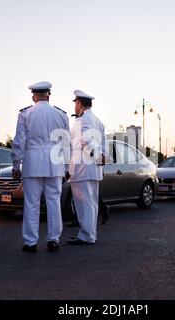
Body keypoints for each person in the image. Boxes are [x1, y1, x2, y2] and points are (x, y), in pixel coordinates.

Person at [11, 81, 70, 253]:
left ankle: (30, 242)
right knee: (53, 202)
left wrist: (16, 165)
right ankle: (53, 240)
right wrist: (66, 167)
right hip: (55, 162)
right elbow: (66, 144)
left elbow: (19, 141)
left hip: (33, 162)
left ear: (33, 96)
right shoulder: (61, 115)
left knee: (31, 203)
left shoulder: (25, 114)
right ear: (49, 95)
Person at [67, 90, 105, 245]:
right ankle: (90, 234)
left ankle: (86, 235)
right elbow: (103, 143)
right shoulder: (98, 120)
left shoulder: (82, 120)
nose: (75, 106)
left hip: (82, 168)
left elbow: (84, 141)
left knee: (84, 204)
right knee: (92, 203)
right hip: (94, 168)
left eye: (75, 102)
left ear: (79, 103)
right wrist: (101, 158)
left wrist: (96, 156)